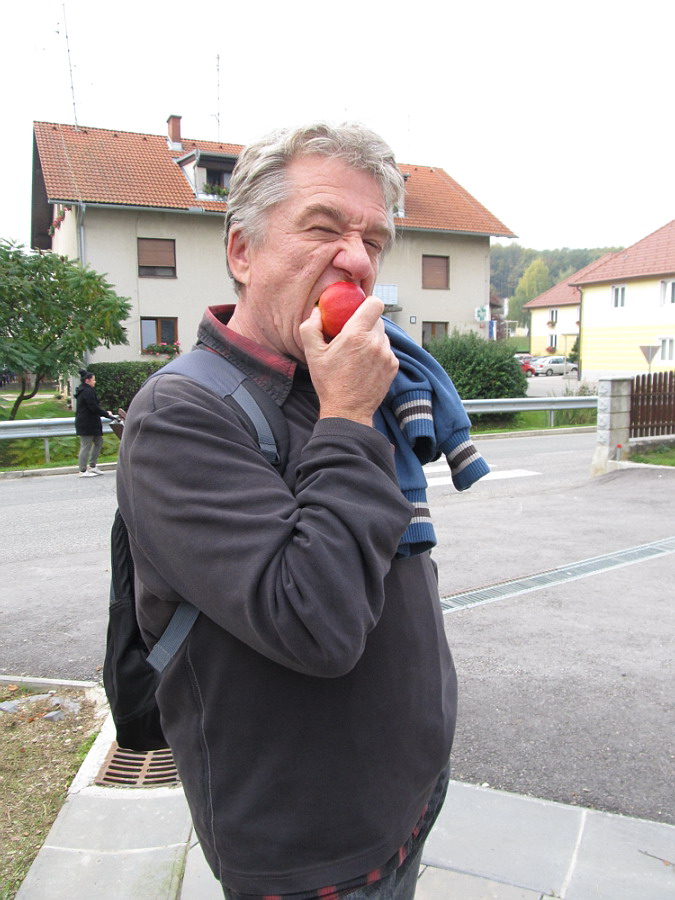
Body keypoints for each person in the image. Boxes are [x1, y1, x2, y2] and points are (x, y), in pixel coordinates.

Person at [116, 123, 461, 899]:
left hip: (405, 796)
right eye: (323, 228)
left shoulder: (343, 376)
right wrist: (348, 418)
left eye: (374, 240)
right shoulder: (182, 413)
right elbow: (315, 624)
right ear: (242, 252)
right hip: (311, 850)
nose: (357, 260)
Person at [74, 370, 114, 477]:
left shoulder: (85, 390)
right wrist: (107, 414)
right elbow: (93, 407)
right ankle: (82, 470)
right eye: (93, 380)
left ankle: (92, 465)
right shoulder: (87, 392)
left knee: (98, 442)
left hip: (92, 422)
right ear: (87, 380)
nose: (94, 382)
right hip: (86, 423)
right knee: (86, 445)